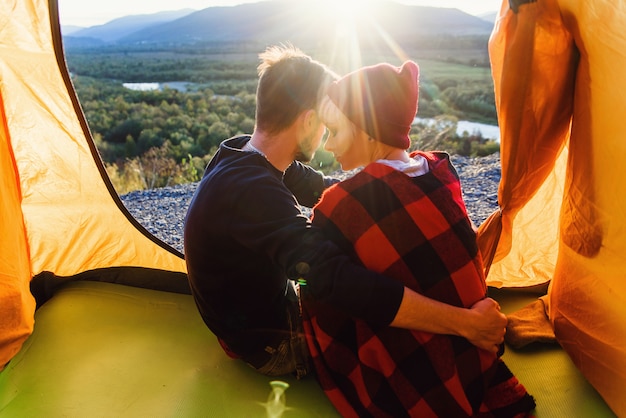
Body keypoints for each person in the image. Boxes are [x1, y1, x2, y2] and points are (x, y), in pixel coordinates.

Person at [183, 44, 507, 381]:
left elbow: (321, 186)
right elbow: (335, 280)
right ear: (309, 121)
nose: (326, 139)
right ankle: (467, 327)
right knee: (398, 333)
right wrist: (464, 324)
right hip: (271, 345)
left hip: (251, 314)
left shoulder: (245, 155)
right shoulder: (251, 191)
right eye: (327, 124)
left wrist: (394, 193)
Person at [300, 61, 536, 417]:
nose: (329, 146)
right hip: (476, 352)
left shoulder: (342, 205)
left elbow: (318, 283)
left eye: (334, 131)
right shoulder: (438, 170)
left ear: (367, 130)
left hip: (422, 369)